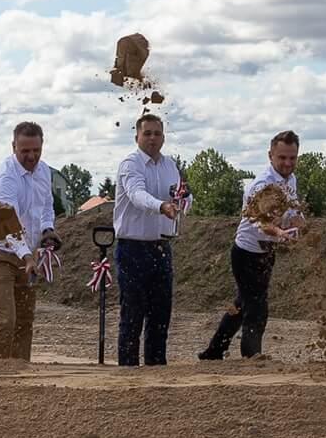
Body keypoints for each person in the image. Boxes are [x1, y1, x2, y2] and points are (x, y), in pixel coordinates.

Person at [201, 130, 302, 360]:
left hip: (267, 251)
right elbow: (261, 222)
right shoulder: (261, 185)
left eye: (292, 158)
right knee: (256, 306)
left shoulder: (291, 179)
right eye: (282, 158)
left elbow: (293, 210)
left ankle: (213, 351)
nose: (288, 163)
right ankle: (252, 356)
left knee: (242, 303)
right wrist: (281, 233)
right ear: (270, 156)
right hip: (246, 253)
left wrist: (299, 223)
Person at [0, 121, 57, 360]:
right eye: (25, 151)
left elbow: (46, 206)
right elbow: (7, 226)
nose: (31, 156)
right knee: (6, 321)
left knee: (25, 319)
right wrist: (28, 256)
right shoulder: (5, 178)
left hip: (26, 254)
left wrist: (47, 230)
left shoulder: (44, 171)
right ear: (13, 147)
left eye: (36, 150)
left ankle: (21, 370)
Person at [113, 113, 186, 366]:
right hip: (132, 248)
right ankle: (128, 369)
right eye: (147, 133)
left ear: (163, 137)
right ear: (137, 137)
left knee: (160, 314)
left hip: (162, 246)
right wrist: (161, 206)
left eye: (157, 133)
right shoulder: (130, 164)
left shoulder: (170, 166)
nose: (152, 138)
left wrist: (183, 200)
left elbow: (180, 195)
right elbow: (137, 195)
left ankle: (156, 367)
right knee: (132, 313)